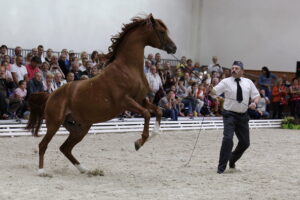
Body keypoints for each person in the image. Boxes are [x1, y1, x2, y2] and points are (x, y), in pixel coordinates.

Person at [210, 61, 260, 174]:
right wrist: (211, 89)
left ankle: (232, 160)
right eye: (232, 68)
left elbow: (256, 95)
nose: (234, 70)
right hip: (229, 115)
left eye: (237, 68)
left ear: (242, 71)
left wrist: (254, 103)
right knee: (228, 139)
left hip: (243, 116)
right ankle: (221, 168)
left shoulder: (248, 82)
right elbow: (214, 92)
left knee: (245, 143)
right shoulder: (225, 81)